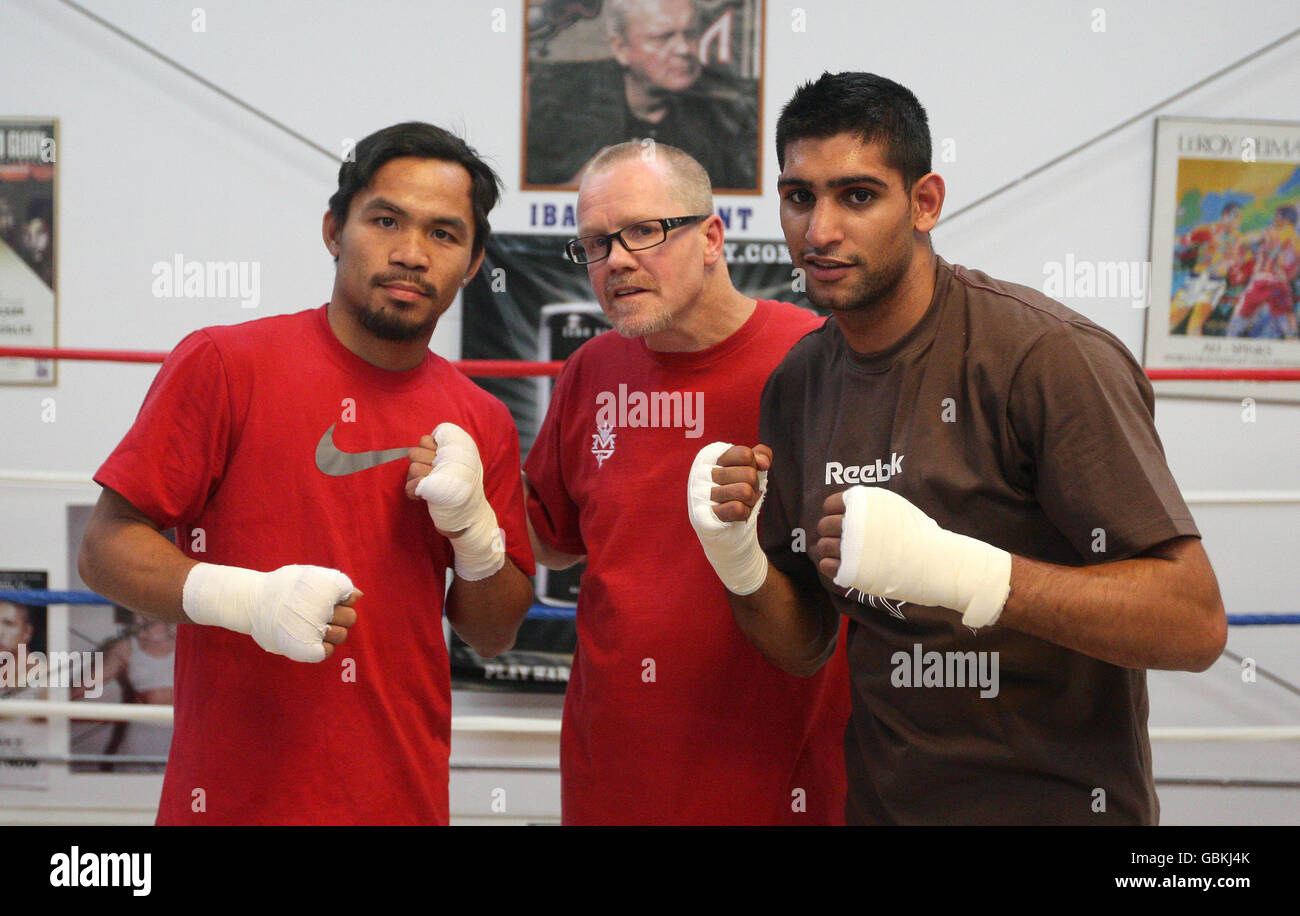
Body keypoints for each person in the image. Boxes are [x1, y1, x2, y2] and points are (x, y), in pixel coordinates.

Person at [688, 72, 1228, 825]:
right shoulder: (801, 382)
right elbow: (807, 642)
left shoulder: (1043, 358)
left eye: (858, 195)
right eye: (800, 196)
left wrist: (966, 573)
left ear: (925, 202)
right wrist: (737, 558)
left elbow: (1194, 621)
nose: (819, 232)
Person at [78, 122, 536, 825]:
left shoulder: (483, 421)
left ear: (473, 264)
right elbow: (107, 547)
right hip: (230, 803)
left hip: (401, 801)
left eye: (444, 235)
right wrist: (247, 600)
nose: (411, 254)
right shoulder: (225, 365)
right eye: (386, 220)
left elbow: (493, 632)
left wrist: (475, 536)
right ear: (334, 229)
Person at [524, 141, 850, 825]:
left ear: (710, 238)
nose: (616, 260)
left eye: (643, 232)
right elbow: (551, 542)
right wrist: (473, 498)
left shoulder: (818, 362)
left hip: (774, 779)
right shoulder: (591, 369)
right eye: (595, 243)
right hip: (611, 776)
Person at [525, 0, 757, 190]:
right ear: (620, 48)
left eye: (691, 34)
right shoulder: (559, 111)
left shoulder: (726, 120)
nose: (684, 49)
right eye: (663, 37)